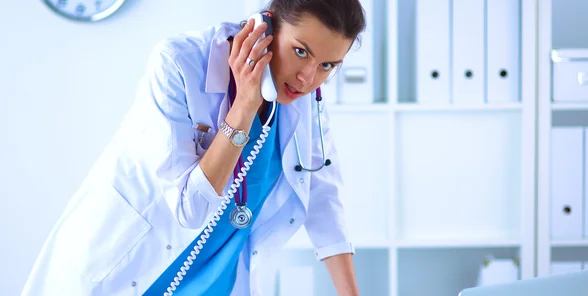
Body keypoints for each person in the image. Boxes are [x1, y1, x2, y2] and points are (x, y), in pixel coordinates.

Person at [21, 0, 366, 295]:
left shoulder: (300, 95)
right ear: (266, 28)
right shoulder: (178, 64)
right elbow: (190, 210)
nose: (308, 77)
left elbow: (323, 193)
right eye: (300, 51)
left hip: (215, 284)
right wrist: (244, 106)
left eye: (327, 65)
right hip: (126, 273)